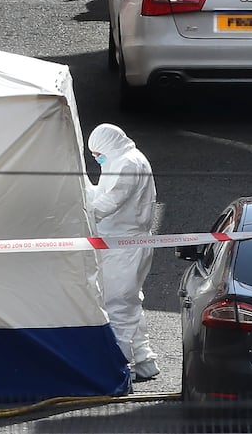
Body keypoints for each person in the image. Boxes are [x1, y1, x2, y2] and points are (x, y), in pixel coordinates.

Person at [85, 123, 160, 382]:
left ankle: (120, 369)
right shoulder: (124, 159)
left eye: (97, 153)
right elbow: (107, 194)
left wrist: (86, 208)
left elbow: (109, 202)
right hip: (123, 244)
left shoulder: (127, 164)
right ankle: (144, 360)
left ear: (108, 145)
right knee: (129, 301)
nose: (96, 158)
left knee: (118, 304)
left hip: (124, 246)